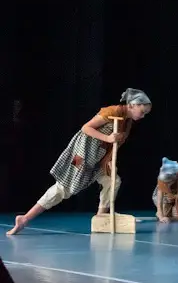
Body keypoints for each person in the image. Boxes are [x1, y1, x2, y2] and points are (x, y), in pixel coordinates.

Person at [7, 88, 152, 236]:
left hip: (97, 157)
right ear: (132, 105)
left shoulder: (126, 121)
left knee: (112, 181)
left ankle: (100, 217)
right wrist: (108, 138)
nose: (143, 116)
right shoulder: (112, 111)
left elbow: (113, 145)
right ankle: (25, 219)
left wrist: (108, 158)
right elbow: (86, 128)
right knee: (63, 188)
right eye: (142, 112)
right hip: (81, 154)